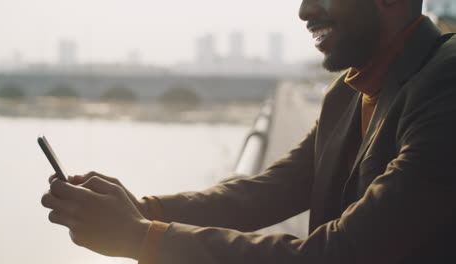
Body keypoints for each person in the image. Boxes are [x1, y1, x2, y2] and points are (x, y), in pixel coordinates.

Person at [41, 0, 456, 263]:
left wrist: (139, 237)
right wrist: (142, 210)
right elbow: (264, 193)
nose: (304, 10)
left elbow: (347, 252)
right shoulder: (349, 91)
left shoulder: (446, 80)